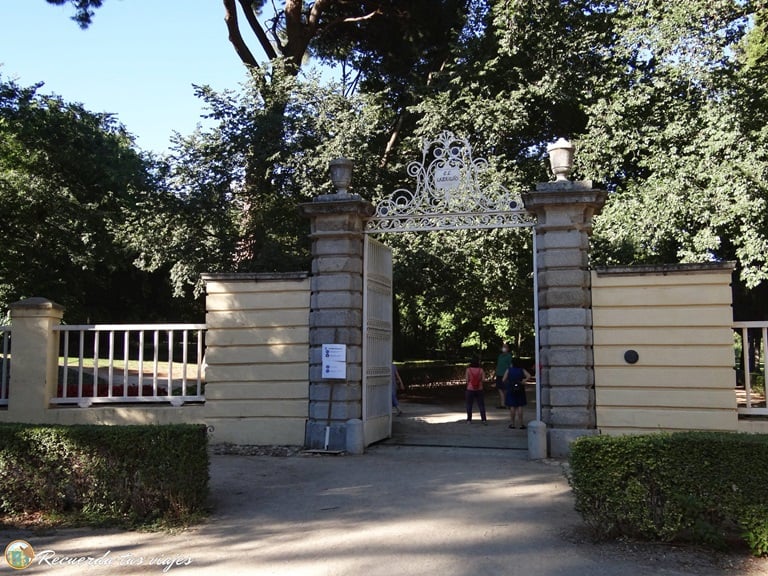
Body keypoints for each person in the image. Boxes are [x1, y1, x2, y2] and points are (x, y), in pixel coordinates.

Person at [504, 360, 533, 429]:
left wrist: (508, 382)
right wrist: (524, 380)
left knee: (512, 406)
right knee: (520, 406)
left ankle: (512, 423)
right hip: (520, 388)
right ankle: (521, 424)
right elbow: (529, 376)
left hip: (511, 389)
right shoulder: (522, 370)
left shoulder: (509, 370)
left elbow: (503, 379)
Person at [465, 356, 487, 424]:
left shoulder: (468, 370)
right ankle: (483, 419)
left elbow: (467, 380)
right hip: (479, 388)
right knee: (481, 405)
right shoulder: (481, 370)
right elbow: (483, 379)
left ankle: (469, 420)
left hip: (470, 388)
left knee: (469, 404)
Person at [495, 343, 513, 408]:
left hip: (505, 374)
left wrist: (511, 373)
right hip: (499, 374)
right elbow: (498, 364)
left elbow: (510, 365)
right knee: (499, 388)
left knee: (505, 389)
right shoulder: (500, 356)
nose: (504, 348)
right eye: (503, 347)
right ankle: (502, 403)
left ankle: (506, 403)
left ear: (508, 349)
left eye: (505, 347)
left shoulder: (509, 356)